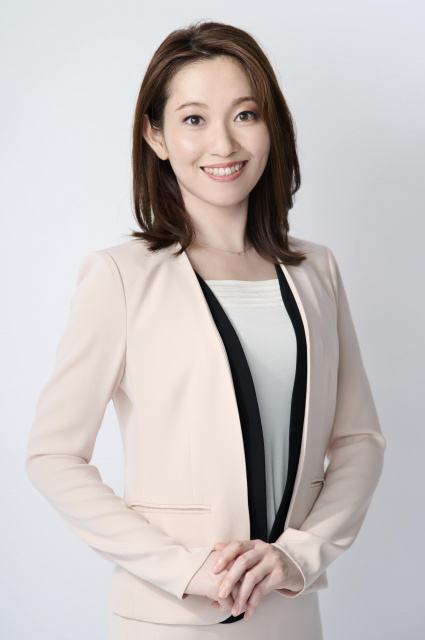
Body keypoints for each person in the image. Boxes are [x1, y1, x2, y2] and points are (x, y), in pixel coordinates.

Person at [25, 19, 386, 640]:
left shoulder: (316, 271)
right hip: (171, 619)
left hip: (291, 615)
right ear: (156, 135)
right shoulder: (120, 278)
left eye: (245, 114)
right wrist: (185, 569)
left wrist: (298, 555)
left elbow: (358, 440)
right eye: (193, 119)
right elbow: (52, 456)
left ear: (272, 127)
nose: (223, 143)